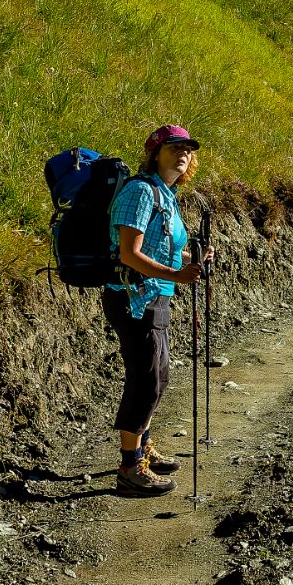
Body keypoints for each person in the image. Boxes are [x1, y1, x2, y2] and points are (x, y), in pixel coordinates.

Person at [104, 124, 211, 498]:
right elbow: (128, 254)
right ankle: (129, 467)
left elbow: (157, 248)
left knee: (159, 376)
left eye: (187, 149)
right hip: (134, 297)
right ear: (154, 152)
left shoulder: (165, 194)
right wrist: (178, 274)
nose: (182, 154)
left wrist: (188, 258)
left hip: (155, 294)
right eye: (173, 147)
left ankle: (142, 447)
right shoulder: (139, 192)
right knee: (146, 379)